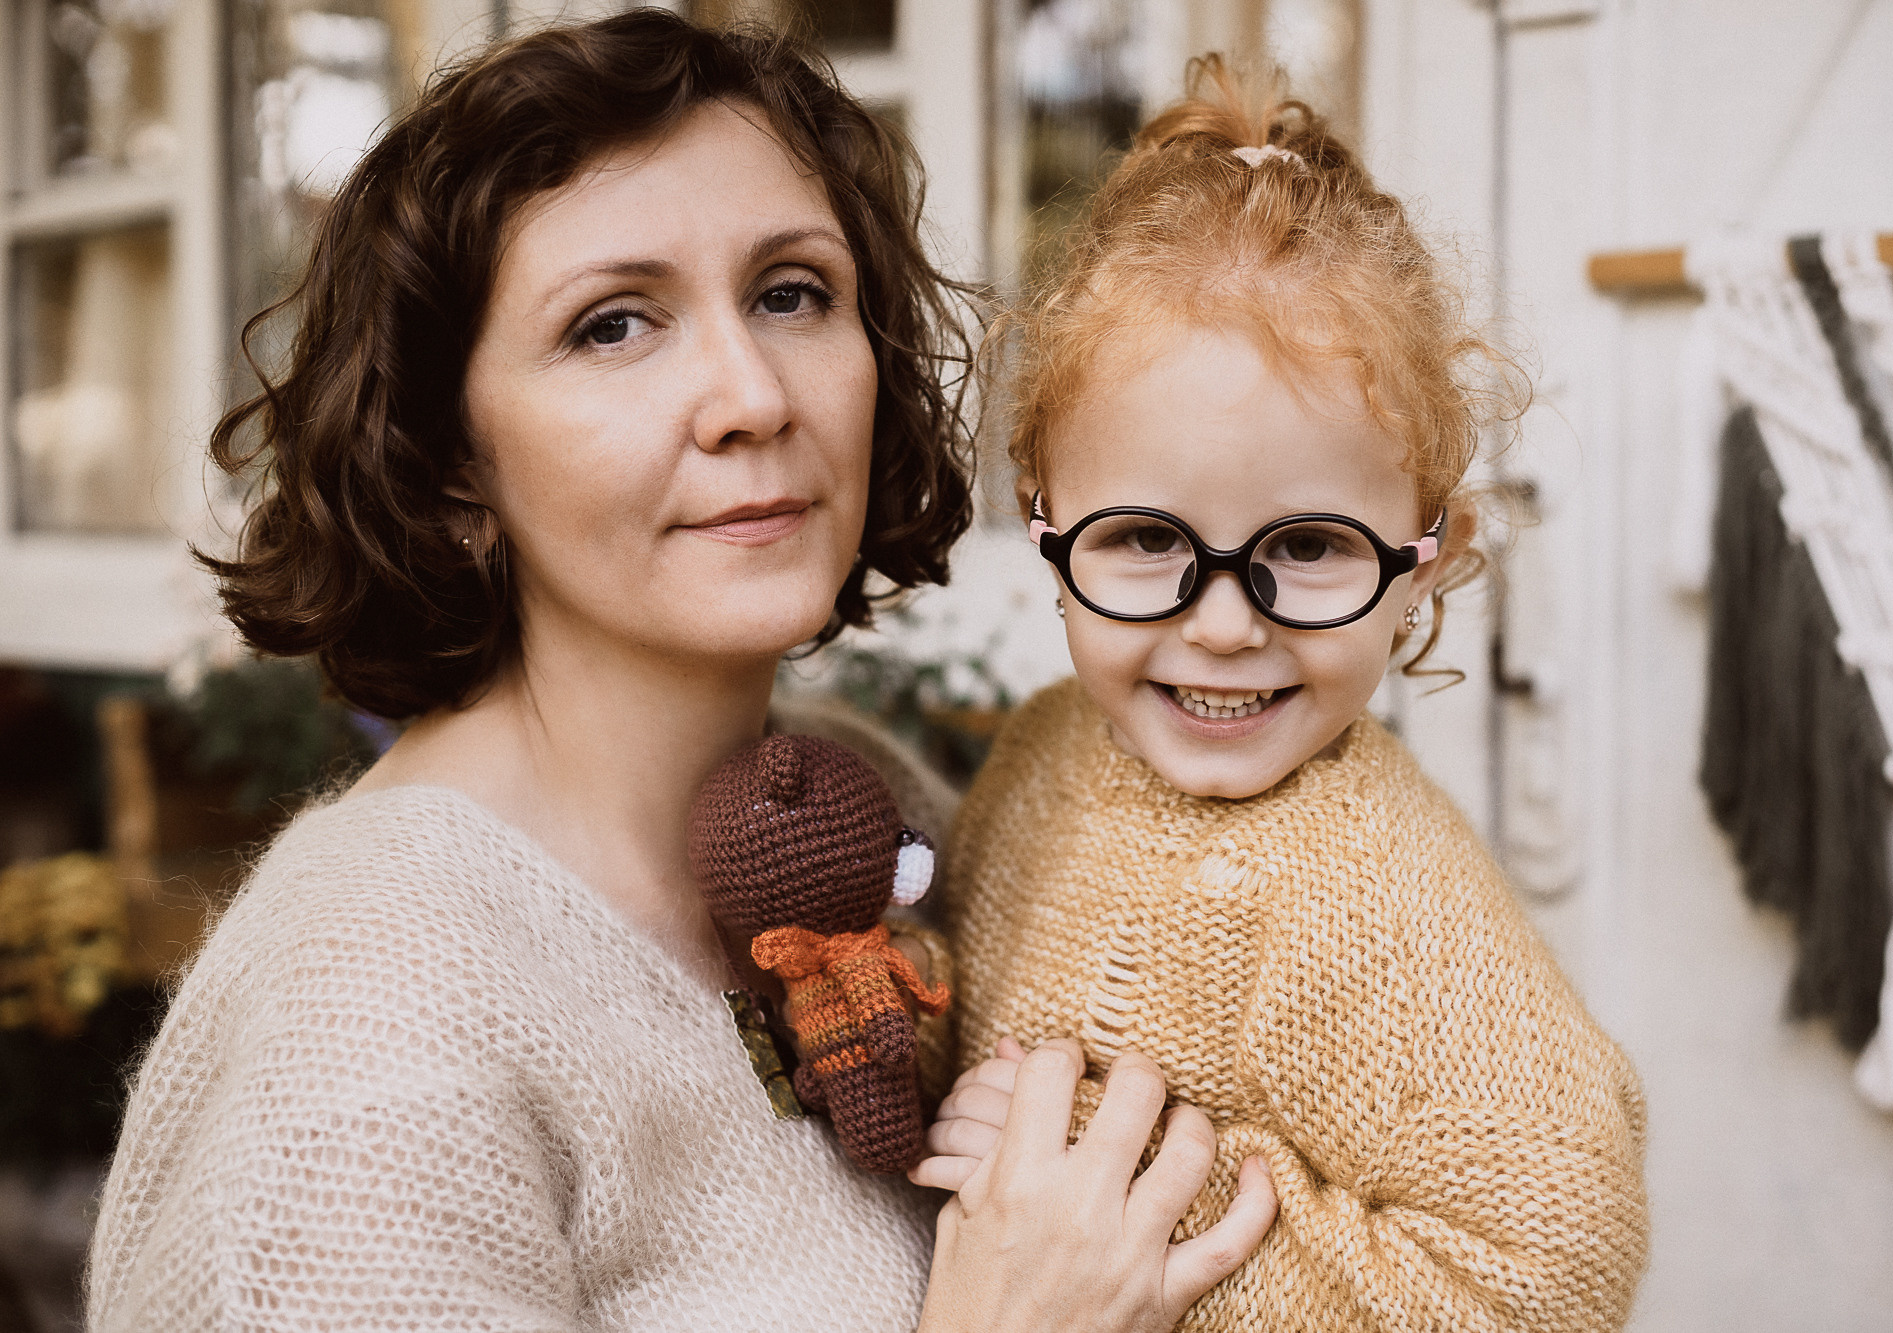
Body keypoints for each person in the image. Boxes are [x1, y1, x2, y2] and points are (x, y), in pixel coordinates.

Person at [84, 15, 1275, 1331]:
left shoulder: (872, 803)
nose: (752, 393)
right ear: (448, 465)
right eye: (612, 325)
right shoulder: (366, 1037)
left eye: (791, 292)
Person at [912, 59, 1651, 1330]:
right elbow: (982, 996)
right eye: (1144, 538)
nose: (1218, 623)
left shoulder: (1388, 908)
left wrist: (1151, 1200)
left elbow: (1551, 1272)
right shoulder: (1041, 752)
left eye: (1305, 548)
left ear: (1429, 561)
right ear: (1044, 527)